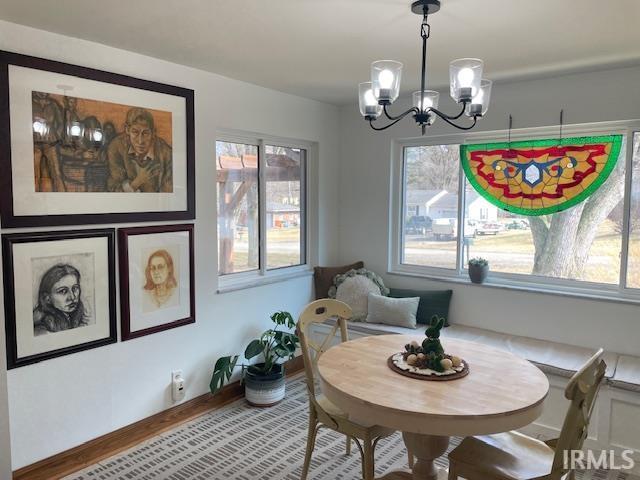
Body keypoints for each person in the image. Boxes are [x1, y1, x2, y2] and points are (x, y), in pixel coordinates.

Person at [105, 107, 173, 192]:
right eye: (135, 132)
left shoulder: (166, 153)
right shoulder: (116, 147)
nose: (140, 141)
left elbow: (169, 194)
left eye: (145, 133)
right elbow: (114, 189)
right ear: (127, 130)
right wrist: (136, 183)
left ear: (153, 133)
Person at [33, 264, 89, 335]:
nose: (72, 297)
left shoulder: (77, 316)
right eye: (63, 291)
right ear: (47, 298)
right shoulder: (42, 330)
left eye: (75, 288)